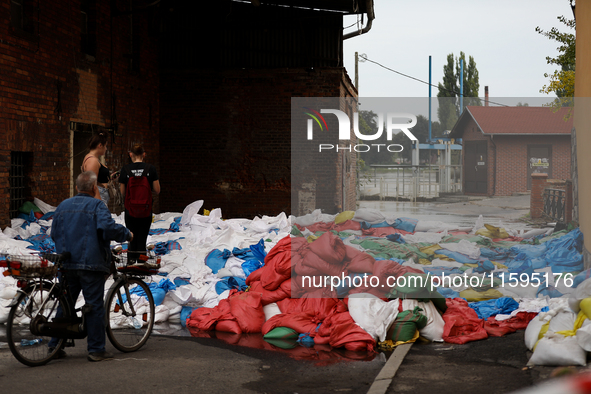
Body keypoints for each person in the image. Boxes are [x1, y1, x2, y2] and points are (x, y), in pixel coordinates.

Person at [49, 171, 133, 362]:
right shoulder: (97, 205)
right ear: (94, 187)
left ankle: (55, 345)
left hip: (67, 263)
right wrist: (127, 235)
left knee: (65, 304)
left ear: (77, 187)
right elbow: (108, 228)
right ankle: (96, 349)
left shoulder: (63, 206)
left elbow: (54, 234)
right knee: (94, 305)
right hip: (90, 264)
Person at [119, 144, 160, 263]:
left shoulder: (125, 169)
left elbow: (122, 192)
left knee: (132, 238)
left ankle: (130, 264)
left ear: (130, 154)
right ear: (144, 154)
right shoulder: (150, 169)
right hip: (146, 210)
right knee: (142, 239)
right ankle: (142, 265)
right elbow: (157, 190)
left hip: (130, 210)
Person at [81, 132, 112, 206]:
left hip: (100, 195)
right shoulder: (92, 161)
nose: (106, 149)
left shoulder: (94, 159)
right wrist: (99, 204)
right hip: (98, 197)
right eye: (105, 146)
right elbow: (92, 185)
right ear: (100, 145)